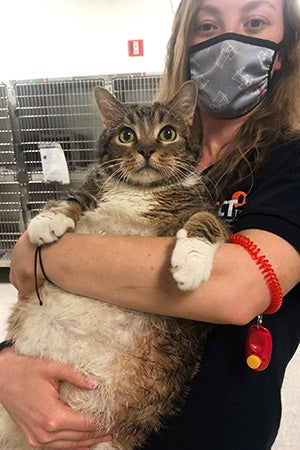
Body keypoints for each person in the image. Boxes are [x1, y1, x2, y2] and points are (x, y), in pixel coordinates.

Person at [1, 0, 300, 448]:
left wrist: (43, 255)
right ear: (185, 43)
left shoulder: (290, 160)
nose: (229, 39)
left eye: (255, 21)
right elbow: (34, 290)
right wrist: (7, 366)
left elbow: (236, 288)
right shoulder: (132, 166)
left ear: (284, 52)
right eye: (208, 24)